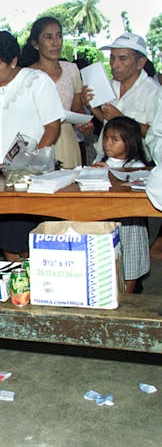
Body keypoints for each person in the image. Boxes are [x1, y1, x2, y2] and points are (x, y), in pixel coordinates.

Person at [0, 30, 64, 261]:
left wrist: (28, 163)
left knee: (27, 239)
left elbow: (52, 127)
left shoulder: (36, 81)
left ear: (13, 61)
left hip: (28, 176)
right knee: (4, 240)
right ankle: (19, 286)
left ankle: (32, 285)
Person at [92, 117, 151, 293]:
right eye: (106, 138)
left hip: (130, 222)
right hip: (107, 218)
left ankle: (128, 294)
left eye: (114, 140)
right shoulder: (102, 162)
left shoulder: (136, 165)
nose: (107, 144)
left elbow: (132, 185)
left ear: (129, 142)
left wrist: (108, 174)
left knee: (130, 259)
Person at [83, 33, 160, 162]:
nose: (114, 65)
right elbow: (109, 123)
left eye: (123, 59)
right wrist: (92, 108)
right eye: (112, 58)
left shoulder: (154, 92)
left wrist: (121, 118)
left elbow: (154, 134)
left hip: (138, 166)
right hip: (105, 161)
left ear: (140, 63)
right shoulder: (109, 86)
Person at [21, 17, 83, 168]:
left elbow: (77, 110)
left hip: (67, 141)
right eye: (48, 37)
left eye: (59, 36)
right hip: (38, 141)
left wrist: (84, 123)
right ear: (36, 44)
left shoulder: (72, 70)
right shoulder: (26, 75)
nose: (56, 43)